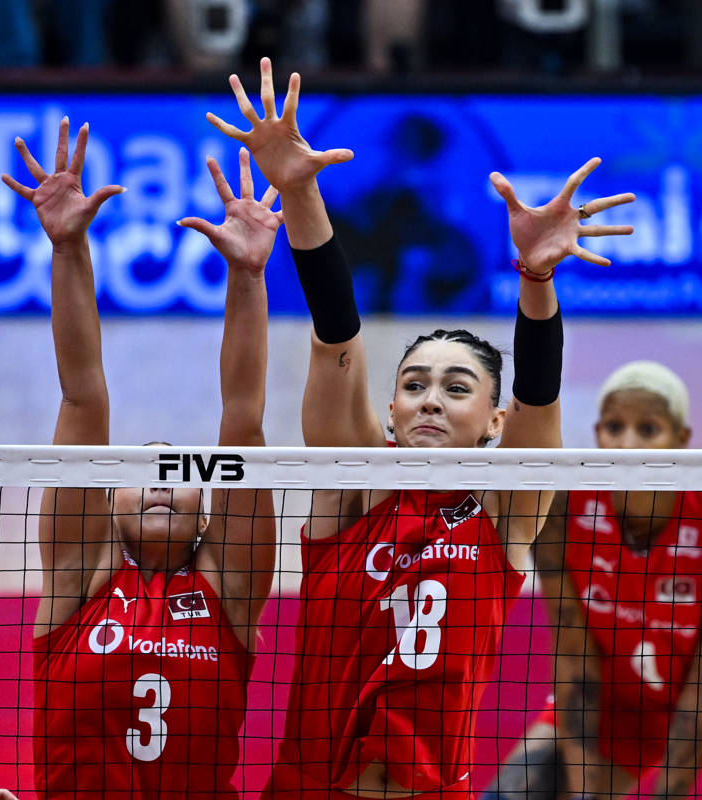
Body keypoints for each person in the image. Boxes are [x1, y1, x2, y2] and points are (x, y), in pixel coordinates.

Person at [206, 57, 636, 799]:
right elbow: (335, 334)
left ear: (491, 422)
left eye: (456, 387)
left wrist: (536, 281)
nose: (431, 399)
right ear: (394, 414)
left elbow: (541, 398)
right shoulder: (355, 492)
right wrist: (301, 193)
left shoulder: (506, 513)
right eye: (414, 385)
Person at [2, 117, 278, 799]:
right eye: (138, 475)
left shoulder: (229, 588)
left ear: (209, 509)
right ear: (105, 500)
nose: (160, 486)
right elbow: (82, 399)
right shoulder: (79, 577)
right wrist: (68, 250)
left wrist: (247, 276)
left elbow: (242, 421)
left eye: (178, 475)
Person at [485, 361, 700, 800]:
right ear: (597, 432)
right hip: (597, 699)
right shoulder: (562, 509)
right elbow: (571, 653)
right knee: (508, 795)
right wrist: (585, 787)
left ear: (681, 441)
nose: (626, 444)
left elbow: (699, 694)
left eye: (648, 429)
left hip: (682, 709)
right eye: (615, 426)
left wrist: (672, 790)